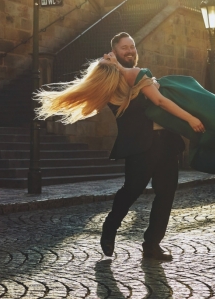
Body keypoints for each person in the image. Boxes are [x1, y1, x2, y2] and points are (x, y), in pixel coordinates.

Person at [36, 33, 204, 261]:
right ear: (115, 52)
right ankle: (110, 227)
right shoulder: (113, 79)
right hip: (139, 145)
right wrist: (190, 119)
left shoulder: (140, 74)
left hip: (166, 142)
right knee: (131, 191)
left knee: (166, 195)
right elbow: (161, 101)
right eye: (124, 48)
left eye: (132, 47)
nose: (130, 51)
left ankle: (152, 245)